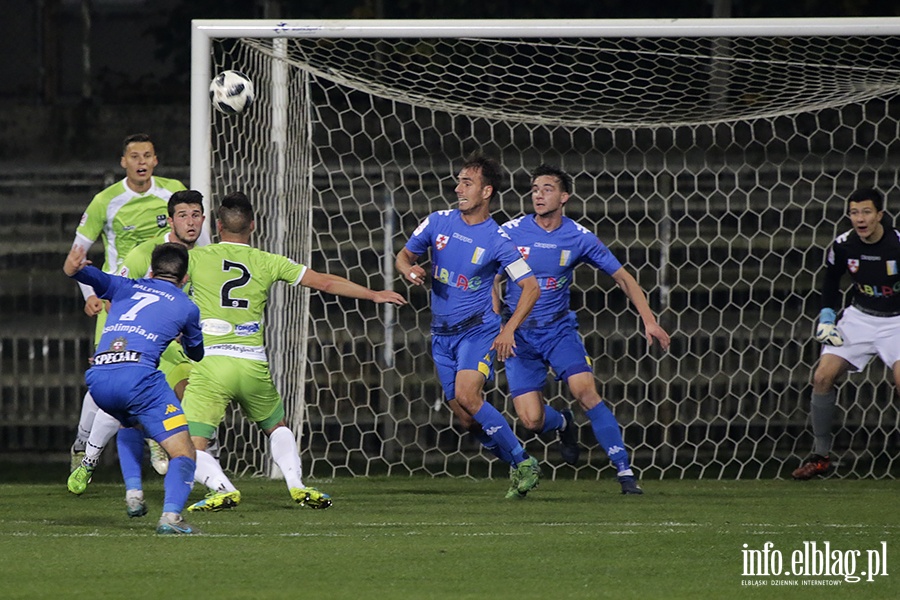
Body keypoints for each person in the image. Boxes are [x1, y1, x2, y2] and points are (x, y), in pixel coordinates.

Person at [181, 191, 407, 511]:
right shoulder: (269, 261)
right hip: (252, 364)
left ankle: (222, 487)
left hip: (211, 363)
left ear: (217, 226)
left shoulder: (195, 258)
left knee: (192, 443)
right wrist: (373, 294)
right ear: (254, 226)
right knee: (278, 426)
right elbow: (325, 283)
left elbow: (165, 287)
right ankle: (296, 484)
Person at [496, 165, 670, 495]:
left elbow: (623, 278)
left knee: (585, 392)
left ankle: (625, 473)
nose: (538, 194)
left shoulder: (578, 236)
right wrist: (498, 323)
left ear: (564, 197)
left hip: (558, 330)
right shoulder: (511, 232)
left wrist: (649, 319)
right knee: (531, 421)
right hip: (519, 334)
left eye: (547, 189)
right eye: (534, 189)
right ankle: (562, 423)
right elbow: (491, 277)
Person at [395, 153, 544, 499]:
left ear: (487, 191)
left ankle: (523, 462)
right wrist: (409, 270)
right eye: (458, 181)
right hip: (441, 334)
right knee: (465, 417)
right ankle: (516, 463)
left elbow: (531, 287)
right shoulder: (437, 222)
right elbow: (404, 256)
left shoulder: (497, 240)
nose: (458, 188)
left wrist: (508, 330)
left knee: (467, 395)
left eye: (467, 183)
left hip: (477, 331)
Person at [68, 190, 206, 491]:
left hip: (174, 343)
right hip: (134, 342)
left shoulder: (206, 255)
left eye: (195, 215)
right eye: (183, 215)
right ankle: (90, 453)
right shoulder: (147, 254)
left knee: (193, 393)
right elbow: (116, 300)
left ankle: (180, 458)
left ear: (204, 219)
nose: (190, 222)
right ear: (170, 221)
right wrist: (109, 346)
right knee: (126, 399)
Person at [63, 242, 204, 535]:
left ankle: (133, 494)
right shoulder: (187, 307)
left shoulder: (126, 286)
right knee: (184, 453)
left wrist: (74, 268)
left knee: (129, 423)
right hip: (138, 379)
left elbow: (91, 277)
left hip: (98, 380)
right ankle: (171, 517)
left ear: (151, 270)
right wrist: (182, 337)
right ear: (185, 277)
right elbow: (197, 353)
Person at [69, 133, 187, 472]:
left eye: (147, 155)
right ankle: (82, 443)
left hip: (162, 303)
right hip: (117, 302)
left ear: (155, 160)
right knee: (106, 374)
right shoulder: (105, 201)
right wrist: (91, 296)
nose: (141, 162)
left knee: (177, 373)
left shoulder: (172, 191)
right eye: (134, 156)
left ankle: (163, 441)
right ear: (123, 162)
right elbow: (77, 255)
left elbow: (197, 243)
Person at [793, 187, 900, 480]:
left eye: (866, 212)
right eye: (854, 212)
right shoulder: (843, 245)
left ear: (880, 215)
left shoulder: (897, 245)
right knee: (822, 377)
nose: (860, 218)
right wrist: (827, 316)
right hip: (859, 318)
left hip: (897, 322)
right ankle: (820, 456)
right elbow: (830, 280)